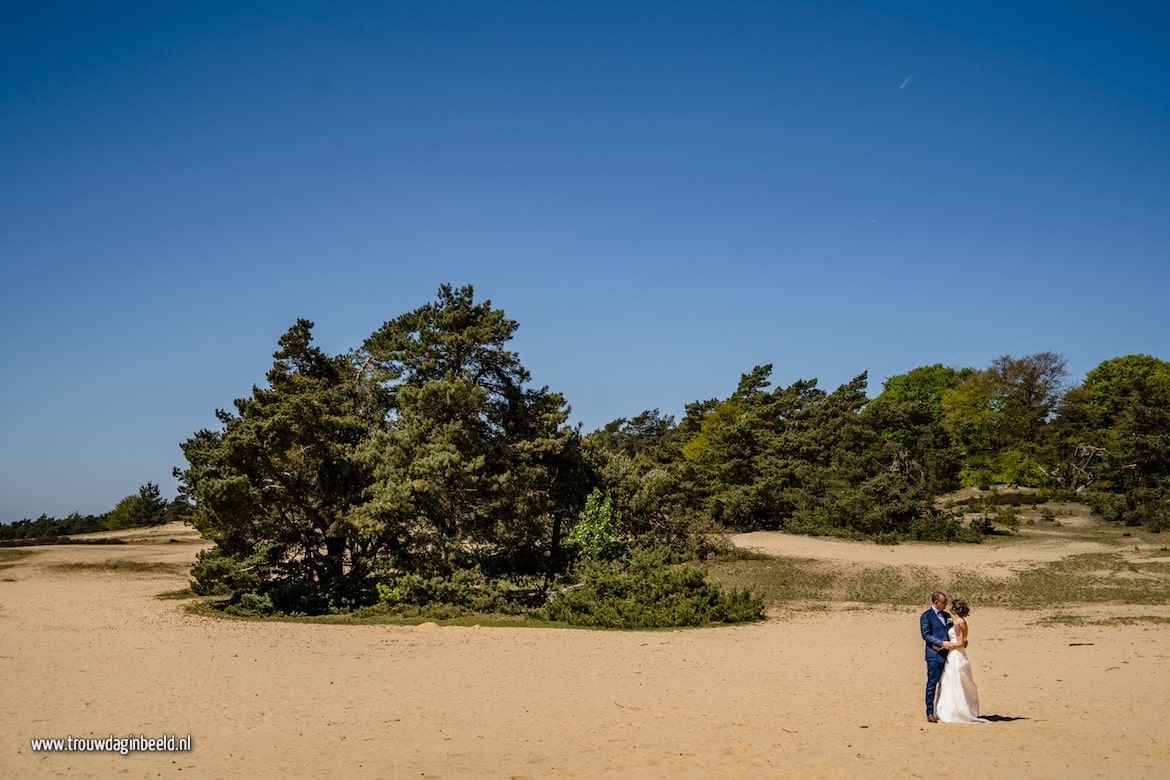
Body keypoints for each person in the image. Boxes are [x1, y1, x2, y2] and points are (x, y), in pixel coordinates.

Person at [933, 598, 989, 723]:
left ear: (954, 609)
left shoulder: (957, 623)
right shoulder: (963, 622)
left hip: (955, 655)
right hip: (960, 654)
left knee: (954, 682)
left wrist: (945, 645)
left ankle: (955, 712)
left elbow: (960, 642)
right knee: (959, 682)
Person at [919, 591, 963, 723]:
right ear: (936, 602)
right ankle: (930, 712)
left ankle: (944, 710)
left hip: (949, 655)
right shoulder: (926, 616)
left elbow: (953, 631)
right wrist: (941, 643)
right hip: (934, 655)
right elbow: (926, 635)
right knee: (932, 683)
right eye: (944, 602)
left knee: (946, 684)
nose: (946, 605)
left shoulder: (947, 615)